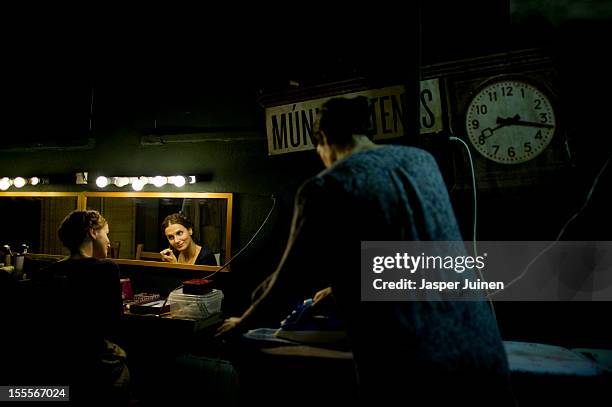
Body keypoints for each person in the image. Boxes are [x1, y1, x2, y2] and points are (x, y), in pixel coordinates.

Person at [216, 96, 514, 405]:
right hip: (482, 347)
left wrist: (242, 322)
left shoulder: (325, 187)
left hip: (415, 366)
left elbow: (287, 281)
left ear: (322, 139)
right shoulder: (421, 161)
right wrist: (344, 284)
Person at [22, 210, 130, 403]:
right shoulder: (106, 269)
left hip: (56, 361)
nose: (108, 241)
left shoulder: (46, 272)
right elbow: (114, 323)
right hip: (93, 360)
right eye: (106, 233)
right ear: (92, 232)